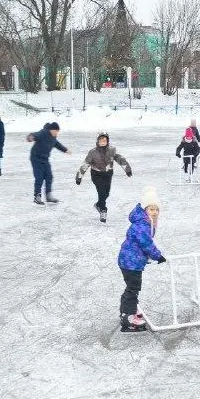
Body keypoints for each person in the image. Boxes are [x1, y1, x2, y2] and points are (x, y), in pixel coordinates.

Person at [117, 187, 166, 332]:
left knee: (130, 288)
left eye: (156, 209)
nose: (155, 212)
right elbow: (146, 243)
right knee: (133, 288)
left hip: (130, 261)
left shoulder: (144, 221)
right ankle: (128, 317)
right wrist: (158, 256)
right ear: (145, 209)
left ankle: (126, 312)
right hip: (131, 263)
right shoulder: (142, 224)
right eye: (151, 209)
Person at [75, 132, 132, 223]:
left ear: (107, 141)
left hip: (108, 174)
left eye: (104, 140)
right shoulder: (93, 152)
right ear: (97, 141)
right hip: (96, 174)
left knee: (106, 193)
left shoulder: (112, 150)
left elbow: (120, 159)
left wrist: (127, 169)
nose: (102, 142)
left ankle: (98, 204)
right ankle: (103, 210)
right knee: (101, 192)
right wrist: (79, 176)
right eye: (101, 140)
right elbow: (86, 164)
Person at [27, 122, 71, 205]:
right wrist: (31, 137)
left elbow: (57, 144)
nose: (57, 133)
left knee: (49, 176)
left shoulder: (53, 137)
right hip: (36, 158)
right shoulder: (43, 133)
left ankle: (48, 195)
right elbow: (35, 135)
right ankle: (37, 196)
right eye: (56, 131)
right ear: (52, 130)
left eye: (58, 131)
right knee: (39, 177)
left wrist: (65, 150)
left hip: (45, 159)